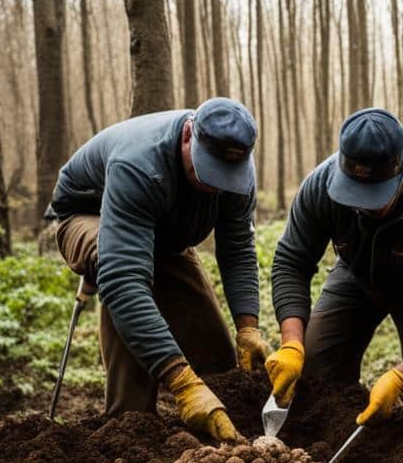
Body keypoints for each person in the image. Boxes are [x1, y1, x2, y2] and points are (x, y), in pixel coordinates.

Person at [48, 98, 271, 441]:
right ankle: (129, 424)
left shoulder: (237, 170)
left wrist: (247, 327)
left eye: (224, 177)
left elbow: (237, 246)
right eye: (206, 171)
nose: (214, 185)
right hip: (88, 216)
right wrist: (181, 383)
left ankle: (224, 423)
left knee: (217, 354)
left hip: (165, 234)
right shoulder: (138, 162)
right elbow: (123, 281)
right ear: (187, 135)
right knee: (123, 278)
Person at [267, 107, 403, 425]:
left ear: (400, 174)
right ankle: (336, 433)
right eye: (353, 194)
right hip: (355, 273)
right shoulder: (320, 186)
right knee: (314, 369)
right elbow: (291, 262)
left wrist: (401, 377)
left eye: (374, 197)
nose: (361, 205)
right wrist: (291, 345)